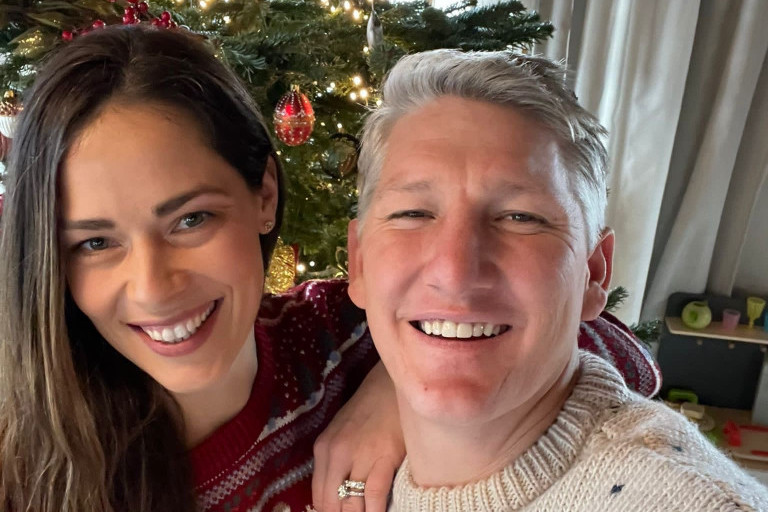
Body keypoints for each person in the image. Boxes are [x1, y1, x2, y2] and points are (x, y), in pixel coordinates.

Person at [0, 25, 657, 512]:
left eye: (191, 220)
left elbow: (614, 351)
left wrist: (398, 393)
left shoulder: (338, 333)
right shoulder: (26, 466)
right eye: (94, 243)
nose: (152, 287)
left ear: (264, 193)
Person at [346, 49, 768, 511]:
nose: (455, 273)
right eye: (412, 213)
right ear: (359, 262)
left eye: (520, 218)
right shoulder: (336, 454)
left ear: (593, 273)